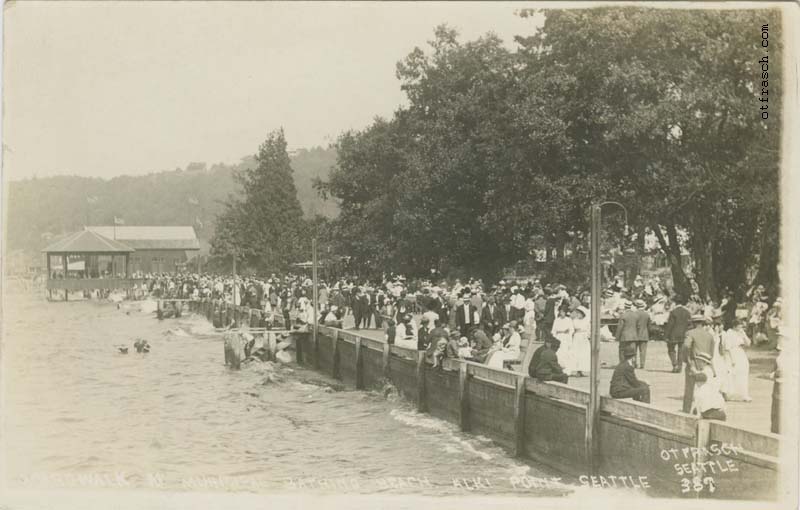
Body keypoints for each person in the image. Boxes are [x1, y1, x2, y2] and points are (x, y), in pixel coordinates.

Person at [722, 318, 752, 401]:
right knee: (732, 374)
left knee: (743, 373)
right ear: (734, 326)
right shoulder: (729, 333)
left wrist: (744, 335)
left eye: (742, 327)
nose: (741, 328)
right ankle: (729, 394)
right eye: (739, 326)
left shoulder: (741, 333)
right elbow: (727, 348)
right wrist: (732, 360)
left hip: (740, 353)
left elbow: (748, 343)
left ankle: (744, 394)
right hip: (732, 354)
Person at [664, 294, 692, 373]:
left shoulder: (673, 312)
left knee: (671, 350)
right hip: (683, 333)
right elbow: (689, 324)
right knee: (681, 351)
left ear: (675, 302)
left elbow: (670, 325)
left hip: (673, 333)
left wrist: (666, 335)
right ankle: (679, 367)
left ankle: (675, 365)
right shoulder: (687, 312)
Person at [569, 306, 590, 377]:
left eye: (579, 313)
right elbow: (571, 329)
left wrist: (587, 335)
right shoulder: (574, 320)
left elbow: (588, 329)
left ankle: (581, 370)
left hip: (584, 338)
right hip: (577, 337)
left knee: (583, 354)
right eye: (577, 313)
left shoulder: (586, 321)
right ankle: (576, 369)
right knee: (576, 353)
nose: (577, 315)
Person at [634, 299, 651, 369]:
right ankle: (642, 364)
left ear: (636, 306)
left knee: (634, 350)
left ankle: (634, 363)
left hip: (635, 334)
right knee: (643, 351)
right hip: (644, 334)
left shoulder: (634, 314)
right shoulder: (647, 314)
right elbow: (649, 326)